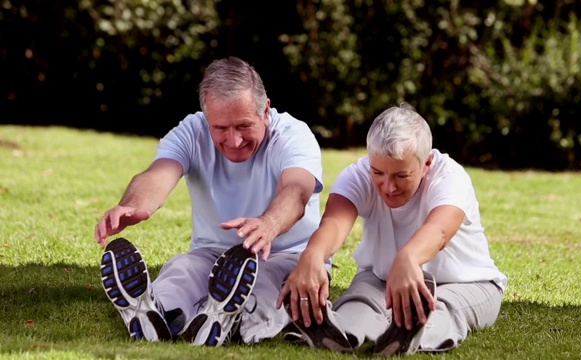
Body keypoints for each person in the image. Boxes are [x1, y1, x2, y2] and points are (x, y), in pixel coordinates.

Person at [95, 56, 326, 346]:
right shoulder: (192, 131)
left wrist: (269, 224)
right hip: (213, 253)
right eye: (220, 128)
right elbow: (159, 174)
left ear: (265, 111)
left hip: (285, 254)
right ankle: (157, 312)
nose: (234, 140)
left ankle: (233, 321)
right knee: (182, 270)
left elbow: (297, 191)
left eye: (243, 126)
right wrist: (131, 204)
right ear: (207, 119)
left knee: (265, 280)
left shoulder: (294, 136)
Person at [276, 104, 508, 356]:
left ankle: (415, 331)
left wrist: (407, 259)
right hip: (382, 277)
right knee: (360, 302)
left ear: (427, 162)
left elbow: (439, 230)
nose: (388, 187)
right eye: (378, 172)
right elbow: (334, 222)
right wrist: (313, 255)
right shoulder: (358, 175)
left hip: (466, 282)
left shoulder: (451, 177)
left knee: (441, 308)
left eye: (401, 176)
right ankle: (337, 331)